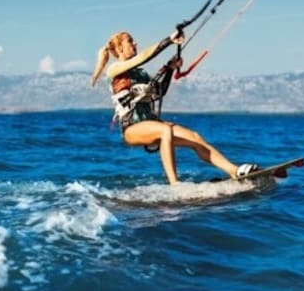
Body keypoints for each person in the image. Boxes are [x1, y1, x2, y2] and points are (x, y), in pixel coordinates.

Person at [90, 29, 257, 185]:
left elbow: (160, 92)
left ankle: (234, 171)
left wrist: (170, 69)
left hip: (151, 122)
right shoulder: (114, 69)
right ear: (119, 48)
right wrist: (169, 40)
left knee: (194, 137)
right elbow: (143, 57)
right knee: (165, 130)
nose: (135, 44)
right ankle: (174, 183)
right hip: (131, 129)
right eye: (130, 42)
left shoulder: (141, 74)